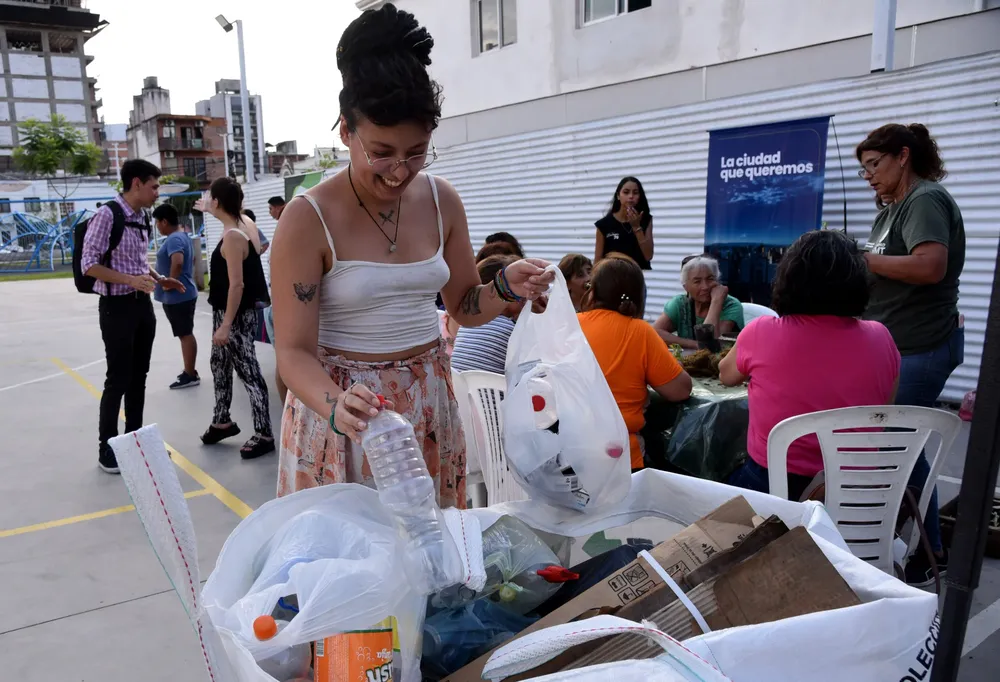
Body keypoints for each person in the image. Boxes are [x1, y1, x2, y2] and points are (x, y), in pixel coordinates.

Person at [269, 4, 552, 506]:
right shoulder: (307, 219)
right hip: (348, 415)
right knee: (354, 570)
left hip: (429, 404)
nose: (399, 172)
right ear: (345, 133)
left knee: (431, 565)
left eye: (417, 152)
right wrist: (339, 406)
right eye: (380, 152)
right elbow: (292, 353)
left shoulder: (442, 200)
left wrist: (507, 285)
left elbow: (464, 304)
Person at [857, 122, 966, 585]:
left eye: (875, 165)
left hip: (920, 347)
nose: (870, 177)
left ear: (903, 156)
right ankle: (927, 543)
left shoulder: (924, 200)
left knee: (897, 446)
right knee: (906, 445)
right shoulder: (891, 209)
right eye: (864, 171)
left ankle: (930, 548)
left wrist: (860, 259)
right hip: (895, 346)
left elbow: (929, 265)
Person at [719, 230, 900, 501]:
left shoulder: (761, 331)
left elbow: (726, 375)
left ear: (787, 279)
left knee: (714, 469)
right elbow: (884, 406)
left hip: (773, 486)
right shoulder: (881, 336)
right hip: (853, 491)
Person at [81, 159, 185, 473]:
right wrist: (130, 281)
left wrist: (158, 277)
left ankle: (135, 443)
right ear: (136, 183)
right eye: (154, 186)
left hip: (142, 306)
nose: (157, 193)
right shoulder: (107, 215)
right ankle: (107, 449)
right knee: (118, 379)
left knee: (138, 377)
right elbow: (88, 264)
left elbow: (136, 262)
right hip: (117, 308)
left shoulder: (141, 217)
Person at [578, 257, 692, 471]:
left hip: (567, 449)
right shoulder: (640, 331)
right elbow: (680, 390)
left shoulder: (570, 325)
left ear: (592, 292)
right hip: (618, 457)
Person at [201, 177, 275, 459]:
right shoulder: (241, 224)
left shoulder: (233, 236)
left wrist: (226, 325)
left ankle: (264, 433)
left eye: (211, 199)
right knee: (219, 366)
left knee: (249, 372)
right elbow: (232, 211)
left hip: (233, 315)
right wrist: (211, 208)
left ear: (218, 202)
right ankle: (222, 420)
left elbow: (237, 285)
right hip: (226, 312)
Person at [152, 203, 199, 389]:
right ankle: (190, 370)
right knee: (184, 333)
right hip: (182, 294)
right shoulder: (182, 236)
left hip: (179, 295)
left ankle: (190, 374)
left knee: (185, 333)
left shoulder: (174, 239)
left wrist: (170, 283)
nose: (157, 226)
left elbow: (178, 262)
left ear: (164, 221)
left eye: (157, 222)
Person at [654, 255, 744, 349]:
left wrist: (716, 302)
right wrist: (695, 344)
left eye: (710, 279)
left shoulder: (731, 305)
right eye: (697, 281)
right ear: (686, 287)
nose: (705, 287)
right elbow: (655, 332)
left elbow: (711, 344)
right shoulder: (680, 304)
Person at [451, 255, 522, 375]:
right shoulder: (514, 330)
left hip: (459, 391)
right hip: (497, 393)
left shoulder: (467, 324)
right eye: (521, 291)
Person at [594, 176, 654, 270]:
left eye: (635, 193)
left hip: (636, 277)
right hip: (611, 276)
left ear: (639, 197)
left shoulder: (645, 219)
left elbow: (648, 255)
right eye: (626, 192)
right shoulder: (604, 224)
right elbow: (597, 261)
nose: (631, 196)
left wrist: (636, 227)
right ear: (618, 195)